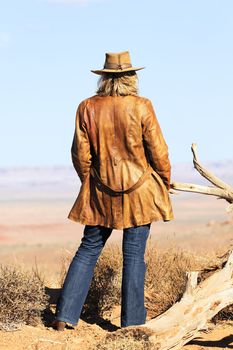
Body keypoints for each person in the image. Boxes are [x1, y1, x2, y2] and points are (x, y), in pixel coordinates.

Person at [52, 51, 174, 331]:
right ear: (131, 77)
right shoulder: (142, 106)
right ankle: (132, 325)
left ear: (104, 79)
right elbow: (159, 150)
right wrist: (164, 182)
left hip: (99, 191)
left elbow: (79, 154)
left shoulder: (87, 107)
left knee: (88, 249)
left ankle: (64, 317)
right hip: (140, 193)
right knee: (134, 256)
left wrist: (91, 183)